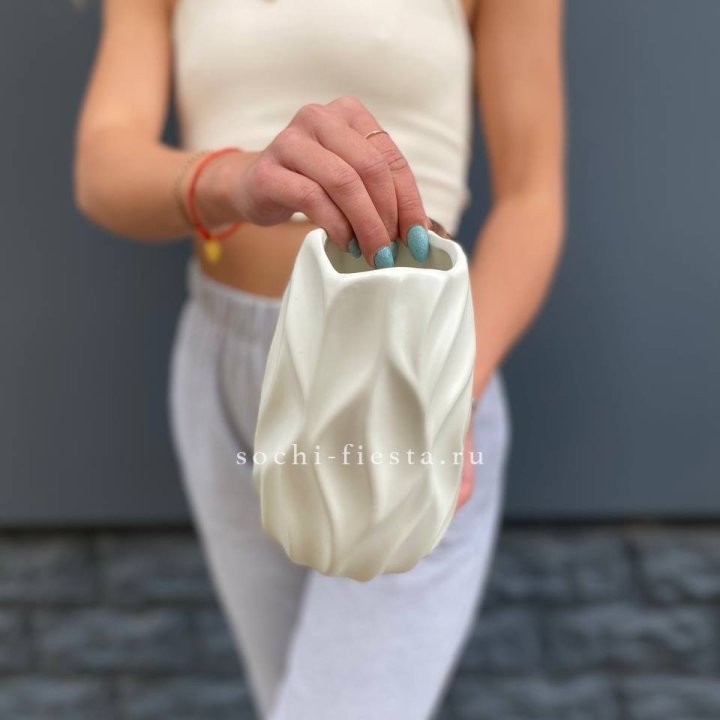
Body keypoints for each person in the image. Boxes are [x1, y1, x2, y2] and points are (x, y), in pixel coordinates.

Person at [74, 1, 565, 717]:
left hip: (410, 381)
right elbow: (104, 164)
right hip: (227, 366)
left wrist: (451, 386)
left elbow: (532, 198)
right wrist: (237, 179)